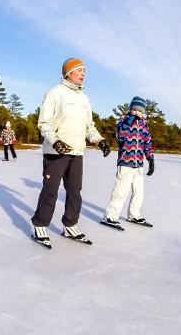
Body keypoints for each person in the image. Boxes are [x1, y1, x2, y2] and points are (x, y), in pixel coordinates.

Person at [31, 57, 111, 247]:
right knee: (50, 190)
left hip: (76, 152)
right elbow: (44, 123)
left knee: (75, 191)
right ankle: (40, 224)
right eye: (80, 70)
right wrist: (55, 141)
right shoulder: (55, 93)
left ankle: (70, 224)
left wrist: (99, 140)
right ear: (69, 73)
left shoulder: (84, 99)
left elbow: (89, 126)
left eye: (84, 70)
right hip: (55, 151)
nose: (84, 73)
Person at [102, 96, 155, 229]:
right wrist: (129, 122)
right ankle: (110, 216)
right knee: (121, 191)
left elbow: (147, 144)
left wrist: (150, 159)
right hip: (125, 163)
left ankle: (134, 214)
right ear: (130, 110)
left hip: (138, 166)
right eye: (134, 110)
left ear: (143, 112)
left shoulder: (144, 126)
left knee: (139, 192)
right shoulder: (123, 122)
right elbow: (120, 136)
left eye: (139, 111)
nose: (137, 113)